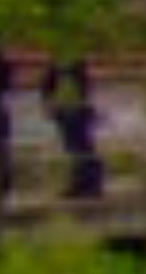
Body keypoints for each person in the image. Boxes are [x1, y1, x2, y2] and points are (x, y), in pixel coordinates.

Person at [41, 56, 104, 198]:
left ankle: (90, 184)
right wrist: (49, 103)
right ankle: (79, 183)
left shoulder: (76, 68)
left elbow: (84, 88)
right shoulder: (56, 68)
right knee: (73, 148)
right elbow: (47, 86)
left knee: (82, 148)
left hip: (76, 110)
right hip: (64, 110)